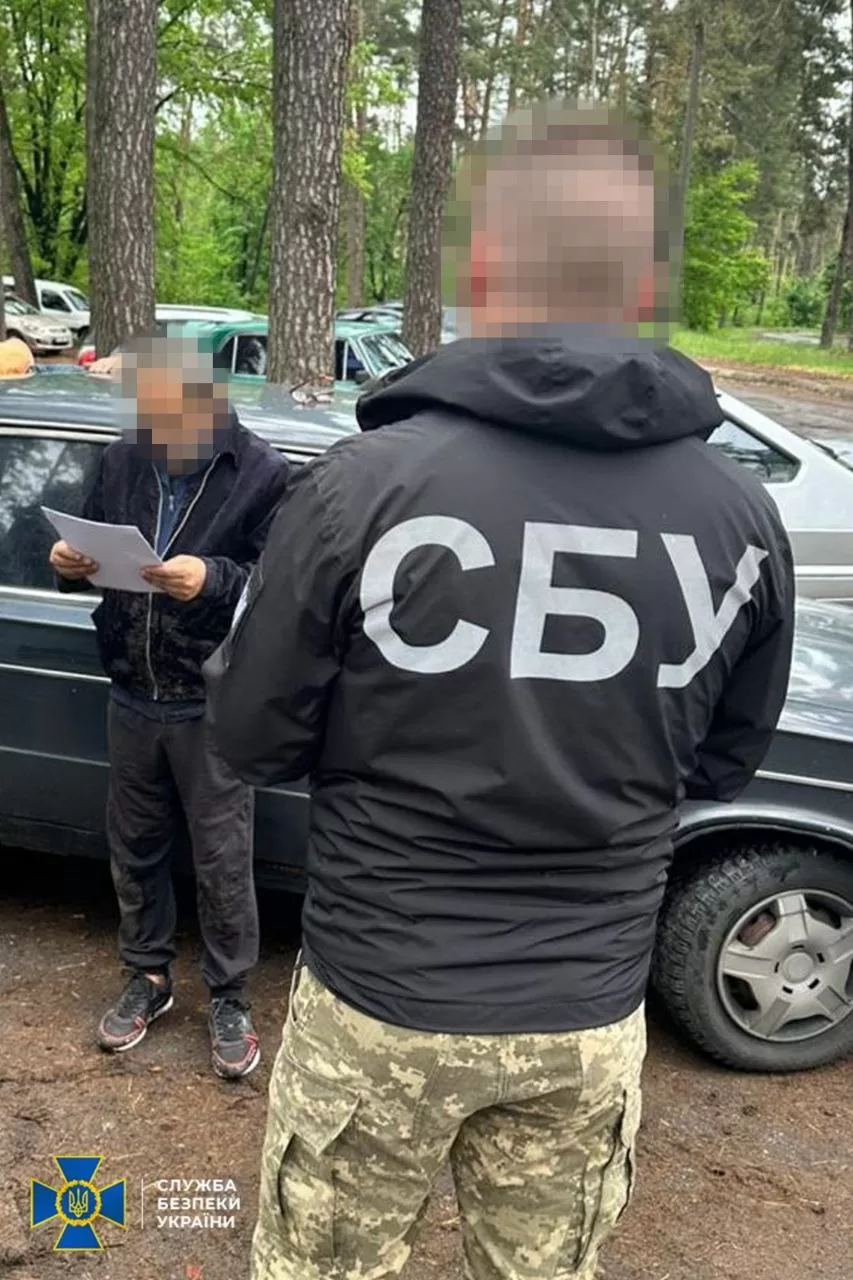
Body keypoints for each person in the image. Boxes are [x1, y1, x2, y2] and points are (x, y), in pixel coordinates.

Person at [206, 105, 795, 1277]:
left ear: (479, 271)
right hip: (584, 1005)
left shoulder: (365, 485)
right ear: (645, 285)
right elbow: (723, 759)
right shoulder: (739, 515)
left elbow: (251, 732)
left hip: (381, 994)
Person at [49, 337, 288, 1079]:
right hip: (130, 688)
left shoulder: (262, 472)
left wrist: (211, 579)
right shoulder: (123, 459)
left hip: (212, 697)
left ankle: (230, 996)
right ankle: (146, 976)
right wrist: (69, 565)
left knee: (222, 860)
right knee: (136, 848)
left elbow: (281, 584)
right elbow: (87, 549)